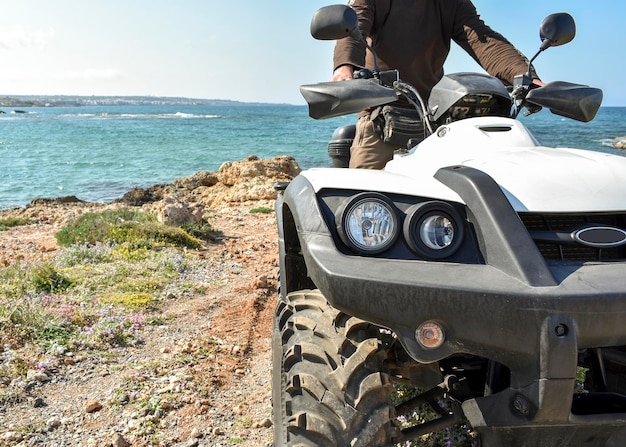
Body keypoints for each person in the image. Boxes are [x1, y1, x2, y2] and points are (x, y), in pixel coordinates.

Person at [332, 0, 543, 169]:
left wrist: (526, 77)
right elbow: (354, 25)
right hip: (380, 117)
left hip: (432, 118)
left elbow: (482, 39)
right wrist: (345, 68)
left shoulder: (450, 4)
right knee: (362, 198)